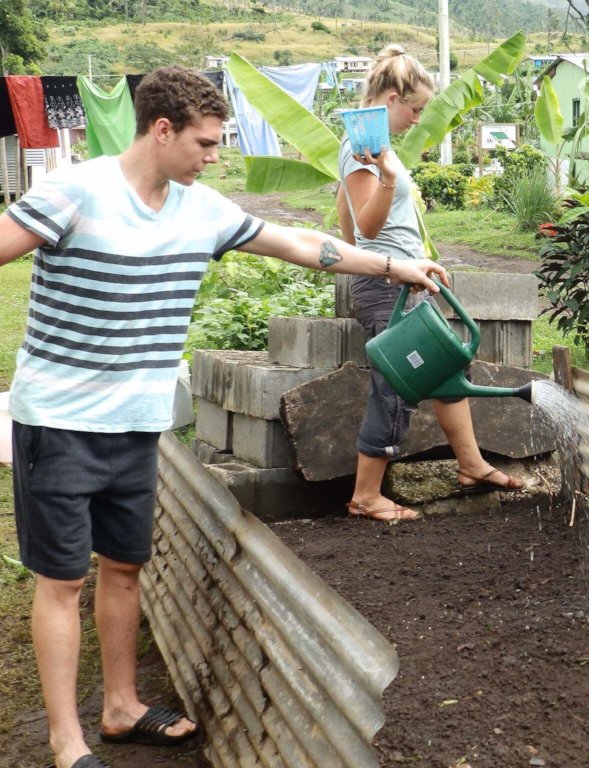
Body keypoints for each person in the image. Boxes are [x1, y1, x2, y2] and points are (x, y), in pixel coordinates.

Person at [0, 65, 448, 768]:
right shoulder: (76, 192)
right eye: (206, 144)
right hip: (59, 420)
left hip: (137, 422)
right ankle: (66, 740)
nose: (216, 157)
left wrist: (397, 268)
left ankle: (120, 707)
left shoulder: (202, 209)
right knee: (63, 581)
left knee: (125, 566)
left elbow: (304, 246)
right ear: (162, 130)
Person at [336, 44, 524, 522]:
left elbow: (348, 219)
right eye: (416, 109)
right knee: (396, 384)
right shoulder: (365, 152)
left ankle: (471, 465)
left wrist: (405, 260)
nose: (418, 120)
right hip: (385, 287)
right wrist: (388, 181)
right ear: (394, 98)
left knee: (443, 370)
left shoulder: (369, 148)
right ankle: (366, 495)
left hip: (398, 279)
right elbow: (368, 226)